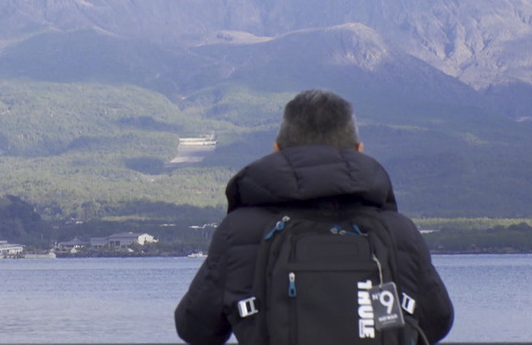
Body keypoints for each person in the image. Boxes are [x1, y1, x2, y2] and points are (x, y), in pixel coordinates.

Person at [174, 89, 453, 344]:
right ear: (358, 151)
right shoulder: (398, 231)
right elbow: (437, 322)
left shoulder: (239, 230)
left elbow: (195, 328)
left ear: (277, 151)